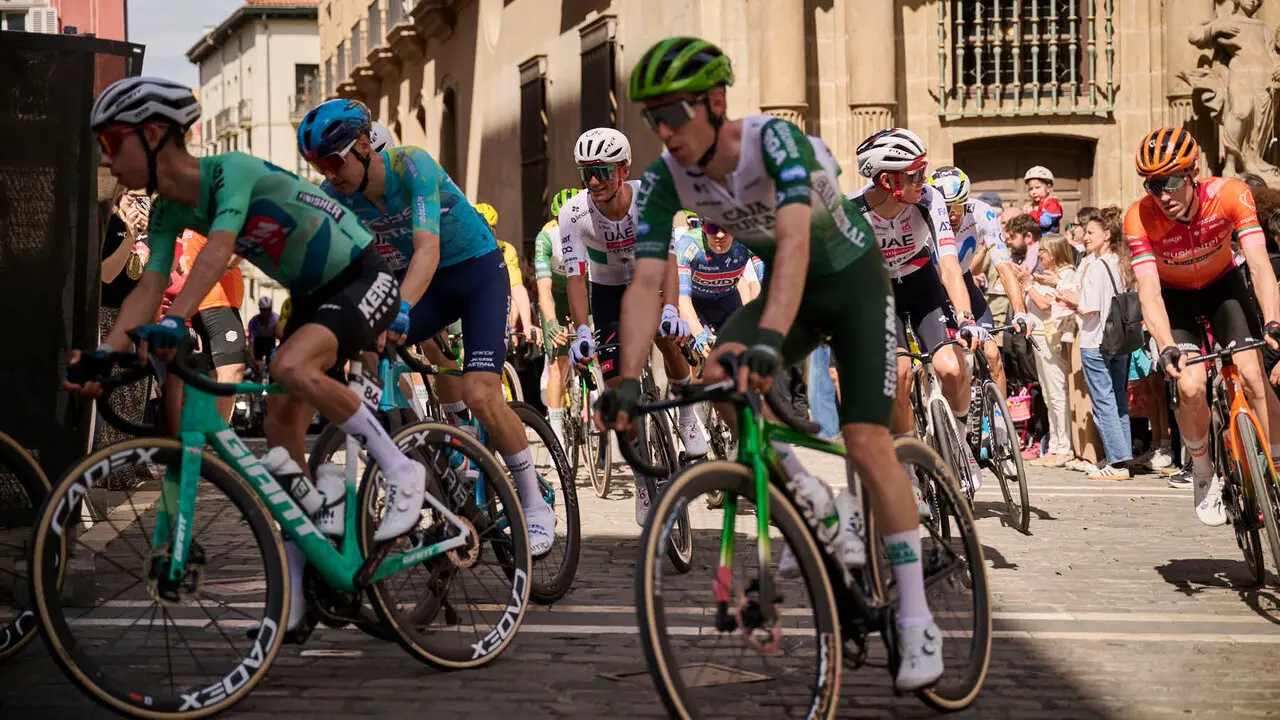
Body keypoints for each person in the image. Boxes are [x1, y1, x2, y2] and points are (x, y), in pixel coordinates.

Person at [597, 36, 943, 690]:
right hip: (793, 294)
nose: (662, 131)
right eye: (651, 118)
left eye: (671, 114)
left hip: (851, 284)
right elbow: (643, 284)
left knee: (867, 442)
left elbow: (793, 244)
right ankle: (811, 496)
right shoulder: (666, 178)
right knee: (715, 377)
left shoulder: (774, 144)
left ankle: (918, 617)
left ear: (715, 101)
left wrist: (768, 342)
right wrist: (626, 379)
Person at [70, 77, 429, 639]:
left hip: (362, 274)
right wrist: (104, 352)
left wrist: (174, 319)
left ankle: (402, 469)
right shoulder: (166, 213)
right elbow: (150, 284)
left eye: (114, 142)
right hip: (313, 296)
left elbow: (218, 250)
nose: (107, 159)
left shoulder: (229, 171)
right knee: (281, 434)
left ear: (156, 135)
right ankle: (301, 587)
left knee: (288, 367)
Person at [299, 98, 556, 555]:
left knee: (481, 392)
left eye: (333, 162)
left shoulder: (411, 166)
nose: (328, 174)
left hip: (474, 272)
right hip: (421, 282)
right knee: (364, 353)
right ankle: (421, 458)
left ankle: (533, 501)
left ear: (363, 146)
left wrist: (399, 307)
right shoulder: (336, 195)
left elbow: (427, 250)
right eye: (318, 166)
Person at [1129, 127, 1280, 524]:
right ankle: (1202, 470)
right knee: (1191, 385)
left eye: (1171, 182)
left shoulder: (1230, 194)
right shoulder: (1139, 217)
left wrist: (1273, 319)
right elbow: (1149, 291)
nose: (1163, 195)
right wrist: (1165, 344)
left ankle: (1277, 463)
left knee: (1253, 376)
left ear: (1193, 173)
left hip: (1223, 288)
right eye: (1153, 185)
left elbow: (1259, 265)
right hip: (1174, 297)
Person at [560, 125, 710, 523]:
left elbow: (669, 259)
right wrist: (582, 330)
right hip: (606, 289)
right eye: (586, 172)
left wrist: (671, 310)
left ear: (624, 170)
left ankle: (686, 411)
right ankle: (644, 482)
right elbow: (575, 277)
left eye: (602, 171)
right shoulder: (573, 213)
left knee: (666, 334)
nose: (593, 181)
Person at [850, 129, 987, 495]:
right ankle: (908, 464)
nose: (923, 179)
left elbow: (949, 265)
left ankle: (960, 443)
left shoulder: (929, 199)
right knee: (899, 375)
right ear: (887, 181)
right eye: (915, 174)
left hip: (922, 281)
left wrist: (966, 318)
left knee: (951, 367)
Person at [929, 165, 1037, 395]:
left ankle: (1000, 414)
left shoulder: (982, 213)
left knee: (992, 354)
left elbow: (1003, 267)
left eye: (958, 206)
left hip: (963, 282)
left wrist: (1020, 311)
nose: (953, 215)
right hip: (931, 287)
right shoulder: (924, 216)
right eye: (946, 208)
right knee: (951, 363)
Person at [178, 228, 248, 421]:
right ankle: (218, 432)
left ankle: (209, 430)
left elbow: (184, 263)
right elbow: (237, 249)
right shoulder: (211, 221)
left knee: (215, 376)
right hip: (218, 303)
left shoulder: (192, 227)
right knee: (231, 372)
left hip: (205, 306)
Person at [1024, 234, 1077, 466]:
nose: (1041, 256)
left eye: (1044, 251)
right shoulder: (1046, 275)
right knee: (1048, 393)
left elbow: (1046, 305)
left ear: (1054, 253)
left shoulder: (1066, 275)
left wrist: (1028, 285)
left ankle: (1064, 446)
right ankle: (1054, 445)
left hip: (1052, 338)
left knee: (1057, 392)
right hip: (1039, 338)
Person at [535, 188, 580, 449]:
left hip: (583, 289)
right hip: (556, 295)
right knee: (558, 363)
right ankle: (556, 433)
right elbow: (544, 290)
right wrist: (552, 323)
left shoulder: (590, 232)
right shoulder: (546, 239)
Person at [475, 202, 538, 346]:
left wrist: (527, 324)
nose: (485, 234)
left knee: (510, 302)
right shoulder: (461, 247)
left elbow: (516, 287)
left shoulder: (506, 249)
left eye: (490, 229)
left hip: (490, 305)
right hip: (464, 304)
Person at [1023, 165, 1063, 234]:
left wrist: (1031, 212)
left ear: (1048, 188)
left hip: (1048, 239)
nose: (1033, 192)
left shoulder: (1052, 204)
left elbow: (1045, 222)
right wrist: (1026, 214)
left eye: (1037, 187)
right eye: (1030, 189)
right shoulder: (1038, 204)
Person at [247, 295, 280, 374]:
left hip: (270, 342)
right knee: (257, 367)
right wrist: (254, 360)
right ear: (260, 309)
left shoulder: (276, 319)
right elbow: (251, 343)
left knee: (272, 365)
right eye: (263, 310)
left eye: (268, 309)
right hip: (258, 344)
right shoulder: (254, 322)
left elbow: (281, 336)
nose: (266, 313)